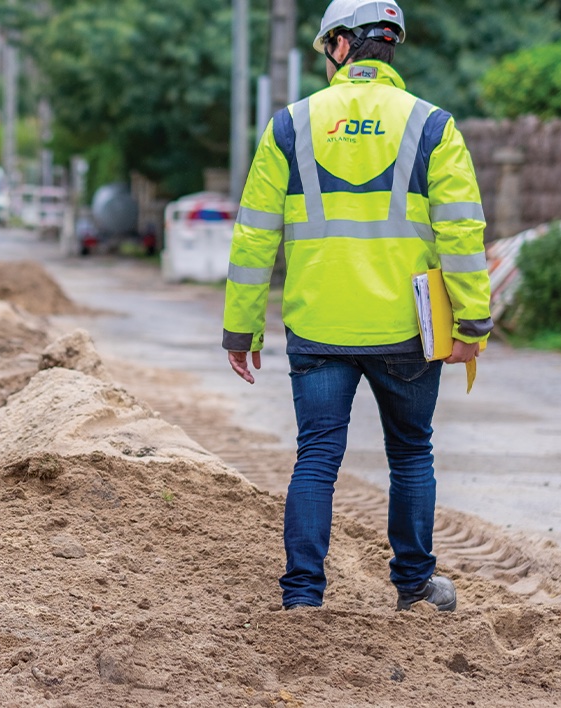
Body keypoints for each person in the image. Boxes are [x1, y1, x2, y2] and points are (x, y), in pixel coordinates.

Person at [221, 0, 490, 612]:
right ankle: (416, 587)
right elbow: (461, 232)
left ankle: (302, 597)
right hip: (408, 330)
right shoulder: (432, 125)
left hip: (319, 326)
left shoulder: (290, 125)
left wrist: (242, 329)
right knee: (411, 453)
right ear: (389, 45)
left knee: (317, 457)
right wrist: (472, 322)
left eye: (325, 50)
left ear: (342, 46)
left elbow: (255, 234)